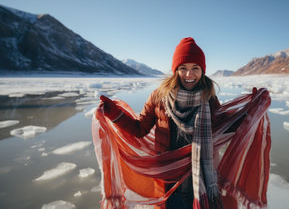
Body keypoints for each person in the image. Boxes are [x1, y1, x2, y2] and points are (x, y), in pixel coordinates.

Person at [92, 37, 271, 209]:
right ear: (175, 69)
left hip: (200, 172)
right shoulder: (159, 96)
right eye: (183, 67)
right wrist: (114, 113)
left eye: (195, 68)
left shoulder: (208, 97)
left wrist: (250, 110)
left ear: (202, 70)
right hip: (169, 175)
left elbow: (221, 126)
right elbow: (139, 129)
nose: (189, 74)